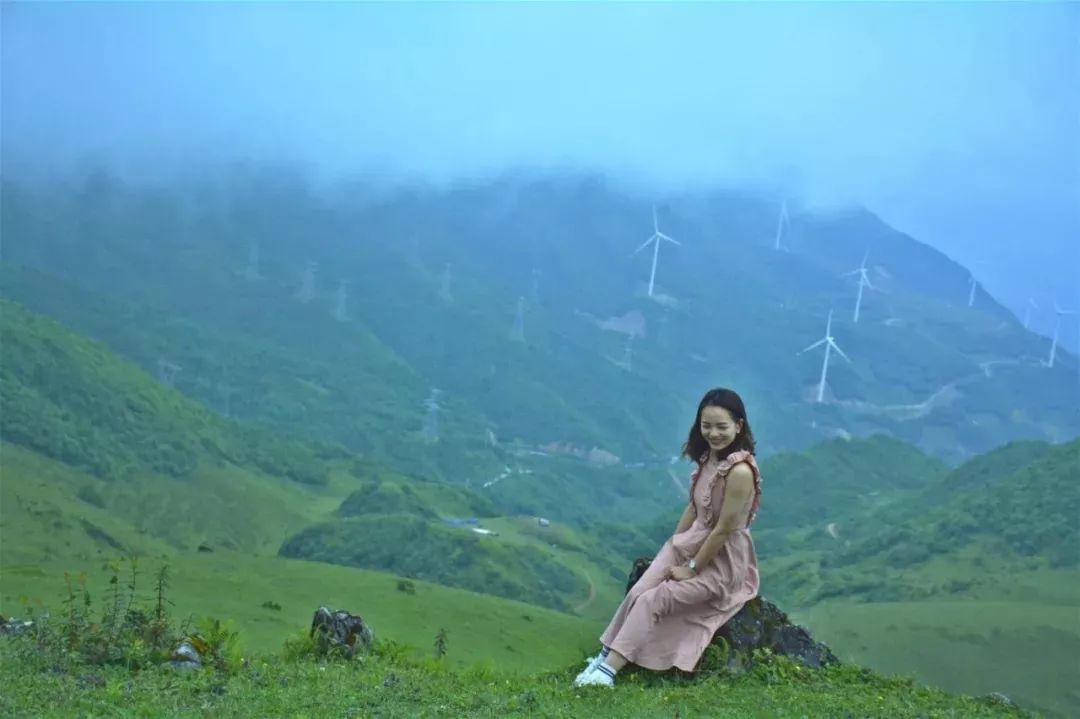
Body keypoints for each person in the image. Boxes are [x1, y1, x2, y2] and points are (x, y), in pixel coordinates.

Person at [574, 388, 762, 687]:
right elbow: (694, 505)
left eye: (722, 426)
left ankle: (607, 673)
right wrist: (673, 548)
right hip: (691, 542)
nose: (713, 433)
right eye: (707, 425)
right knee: (639, 591)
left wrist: (691, 568)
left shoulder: (740, 471)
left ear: (739, 426)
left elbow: (724, 530)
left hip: (722, 562)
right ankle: (605, 654)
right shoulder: (709, 458)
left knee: (656, 598)